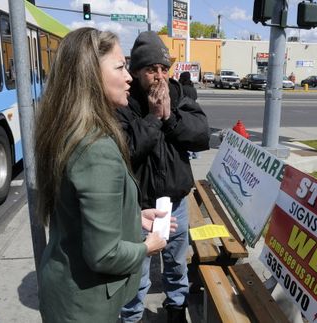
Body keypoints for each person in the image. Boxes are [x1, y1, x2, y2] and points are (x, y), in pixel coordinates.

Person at [34, 27, 168, 323]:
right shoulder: (97, 148)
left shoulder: (67, 128)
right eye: (120, 67)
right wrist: (148, 246)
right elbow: (104, 255)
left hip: (67, 295)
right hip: (84, 309)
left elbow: (80, 215)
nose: (129, 76)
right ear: (90, 74)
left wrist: (134, 218)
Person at [117, 31, 210, 323]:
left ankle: (176, 309)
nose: (159, 76)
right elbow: (126, 150)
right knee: (137, 273)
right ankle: (131, 317)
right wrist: (155, 118)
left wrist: (171, 118)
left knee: (175, 264)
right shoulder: (122, 101)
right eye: (151, 69)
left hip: (177, 202)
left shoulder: (179, 94)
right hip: (140, 207)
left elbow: (201, 135)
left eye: (163, 69)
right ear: (136, 72)